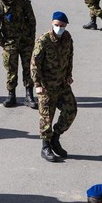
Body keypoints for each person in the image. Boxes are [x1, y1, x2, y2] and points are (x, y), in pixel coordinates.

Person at [31, 11, 76, 163]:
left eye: (62, 26)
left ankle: (55, 139)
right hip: (46, 86)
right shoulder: (43, 40)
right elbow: (35, 64)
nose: (59, 28)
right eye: (56, 25)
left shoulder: (67, 38)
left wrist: (69, 74)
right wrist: (37, 85)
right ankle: (45, 147)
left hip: (62, 83)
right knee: (46, 117)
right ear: (52, 23)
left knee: (71, 110)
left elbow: (70, 56)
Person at [0, 0, 37, 108]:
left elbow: (32, 21)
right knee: (11, 69)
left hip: (25, 41)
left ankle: (29, 95)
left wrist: (31, 39)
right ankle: (11, 95)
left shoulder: (23, 2)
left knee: (29, 69)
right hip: (9, 43)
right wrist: (2, 42)